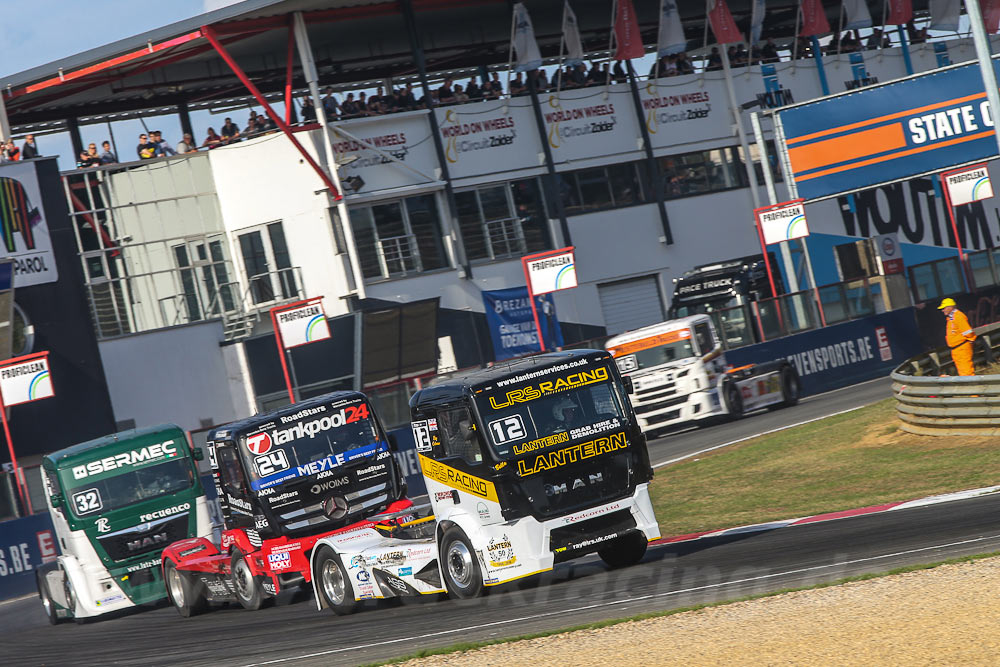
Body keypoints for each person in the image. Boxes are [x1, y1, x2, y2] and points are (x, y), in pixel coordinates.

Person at [939, 298, 977, 376]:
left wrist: (970, 341)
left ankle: (971, 386)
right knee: (963, 372)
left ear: (950, 307)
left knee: (966, 372)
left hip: (962, 348)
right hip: (957, 349)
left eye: (944, 308)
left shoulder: (958, 316)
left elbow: (968, 332)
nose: (942, 310)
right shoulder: (951, 318)